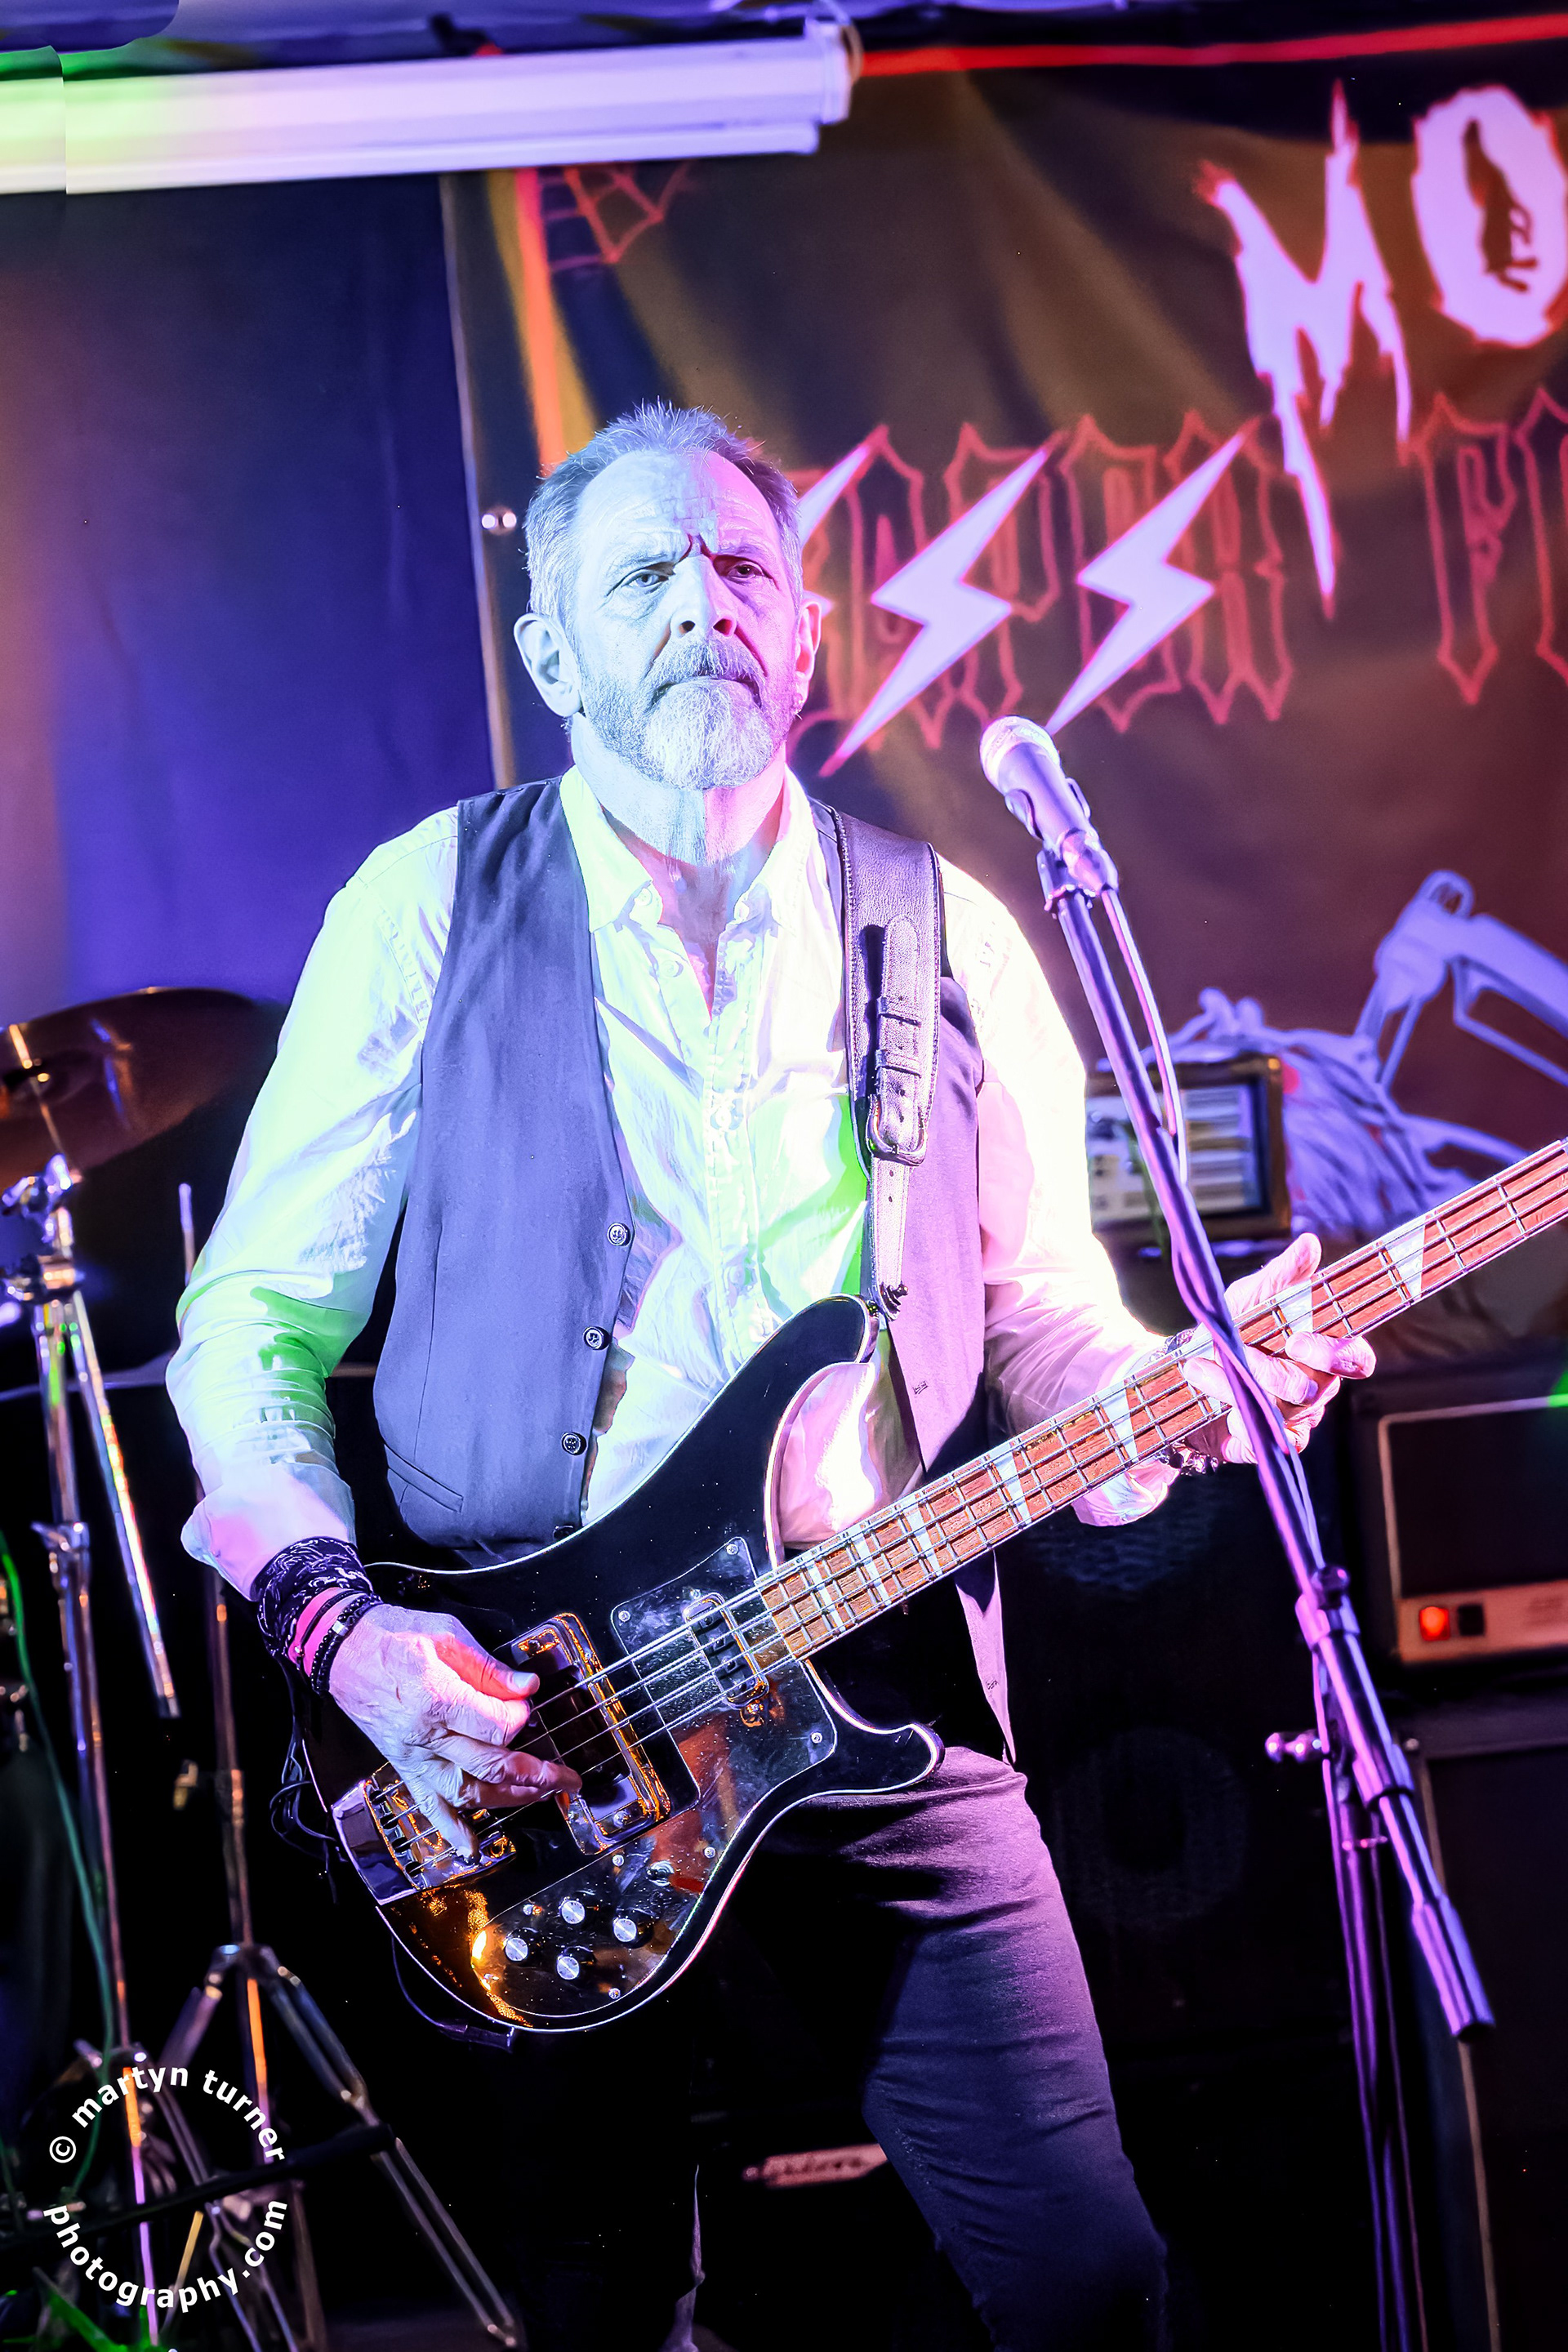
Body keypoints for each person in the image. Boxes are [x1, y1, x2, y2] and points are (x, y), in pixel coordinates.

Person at [167, 402, 1372, 2352]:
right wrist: (347, 1635)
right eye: (642, 575)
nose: (700, 606)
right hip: (539, 1739)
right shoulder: (428, 906)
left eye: (740, 568)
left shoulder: (950, 930)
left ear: (803, 634)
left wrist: (1192, 1396)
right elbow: (252, 1320)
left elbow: (1045, 1320)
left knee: (1092, 2284)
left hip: (877, 1682)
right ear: (553, 651)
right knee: (603, 2307)